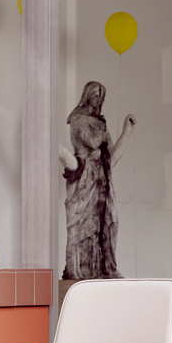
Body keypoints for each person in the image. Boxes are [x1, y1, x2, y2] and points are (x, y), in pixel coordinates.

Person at [59, 80, 134, 279]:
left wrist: (127, 131)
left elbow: (112, 156)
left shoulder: (101, 124)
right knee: (83, 227)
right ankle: (81, 272)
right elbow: (92, 141)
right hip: (84, 179)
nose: (99, 99)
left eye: (102, 96)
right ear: (87, 96)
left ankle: (107, 268)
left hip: (103, 181)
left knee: (111, 222)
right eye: (95, 94)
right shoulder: (78, 118)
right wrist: (101, 142)